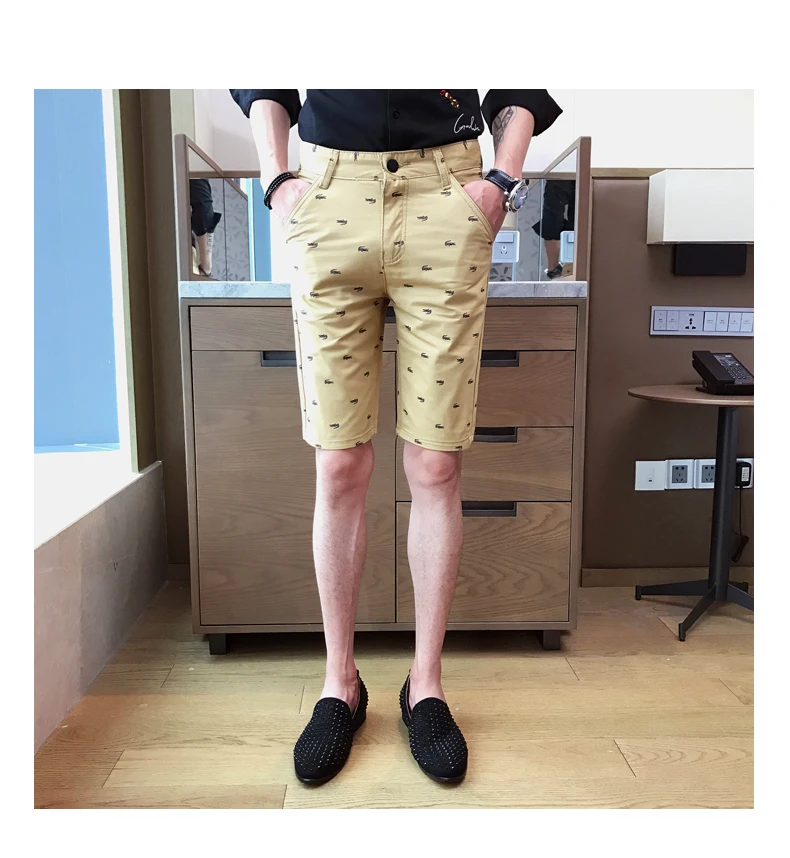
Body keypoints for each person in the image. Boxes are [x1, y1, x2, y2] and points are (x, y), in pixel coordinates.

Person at [230, 89, 562, 785]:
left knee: (436, 464)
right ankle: (340, 684)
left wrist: (500, 181)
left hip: (447, 192)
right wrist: (276, 178)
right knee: (338, 463)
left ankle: (426, 686)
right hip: (329, 191)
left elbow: (523, 71)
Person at [533, 178, 575, 279]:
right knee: (553, 217)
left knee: (578, 217)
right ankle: (554, 268)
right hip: (559, 174)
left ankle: (555, 268)